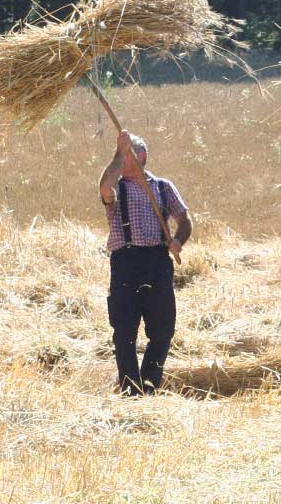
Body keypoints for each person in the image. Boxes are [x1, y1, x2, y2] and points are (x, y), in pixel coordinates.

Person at [98, 129, 192, 396]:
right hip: (126, 262)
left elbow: (185, 220)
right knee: (124, 332)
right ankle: (130, 390)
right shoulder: (117, 188)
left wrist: (178, 240)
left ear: (141, 157)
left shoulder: (163, 186)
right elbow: (104, 187)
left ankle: (149, 386)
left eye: (126, 156)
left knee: (163, 331)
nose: (119, 163)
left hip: (158, 263)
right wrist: (119, 151)